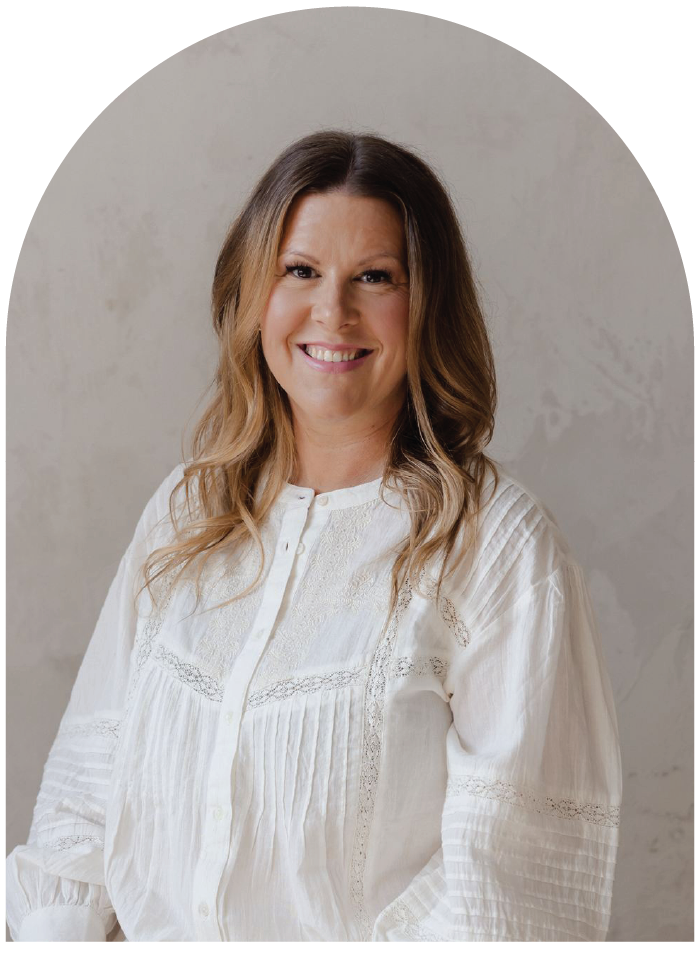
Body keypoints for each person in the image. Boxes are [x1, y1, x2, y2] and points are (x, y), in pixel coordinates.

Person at [5, 129, 623, 943]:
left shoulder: (494, 550)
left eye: (376, 277)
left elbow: (505, 894)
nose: (332, 311)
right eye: (300, 271)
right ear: (255, 290)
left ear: (427, 302)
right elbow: (83, 802)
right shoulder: (189, 514)